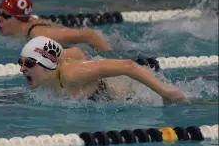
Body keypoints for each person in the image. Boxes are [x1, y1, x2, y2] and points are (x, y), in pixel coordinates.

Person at [18, 36, 188, 104]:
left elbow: (127, 65)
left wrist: (166, 92)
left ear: (47, 63)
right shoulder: (48, 75)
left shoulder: (72, 75)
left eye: (29, 64)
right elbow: (75, 52)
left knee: (186, 100)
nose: (22, 69)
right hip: (104, 86)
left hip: (130, 93)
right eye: (21, 62)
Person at [0, 0, 112, 60]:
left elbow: (89, 35)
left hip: (93, 48)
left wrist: (109, 57)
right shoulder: (26, 27)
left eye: (6, 15)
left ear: (20, 19)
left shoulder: (38, 33)